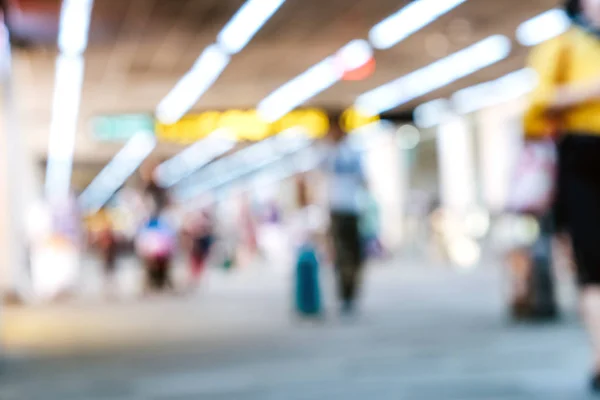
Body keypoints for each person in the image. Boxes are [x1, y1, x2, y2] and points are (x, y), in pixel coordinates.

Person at [524, 0, 600, 390]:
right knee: (594, 267)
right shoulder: (563, 47)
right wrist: (589, 90)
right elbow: (535, 107)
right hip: (584, 159)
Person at [323, 117, 367, 314]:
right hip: (336, 209)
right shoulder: (326, 152)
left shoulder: (353, 151)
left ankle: (351, 293)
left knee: (354, 255)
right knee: (341, 255)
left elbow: (364, 179)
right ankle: (343, 294)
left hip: (352, 208)